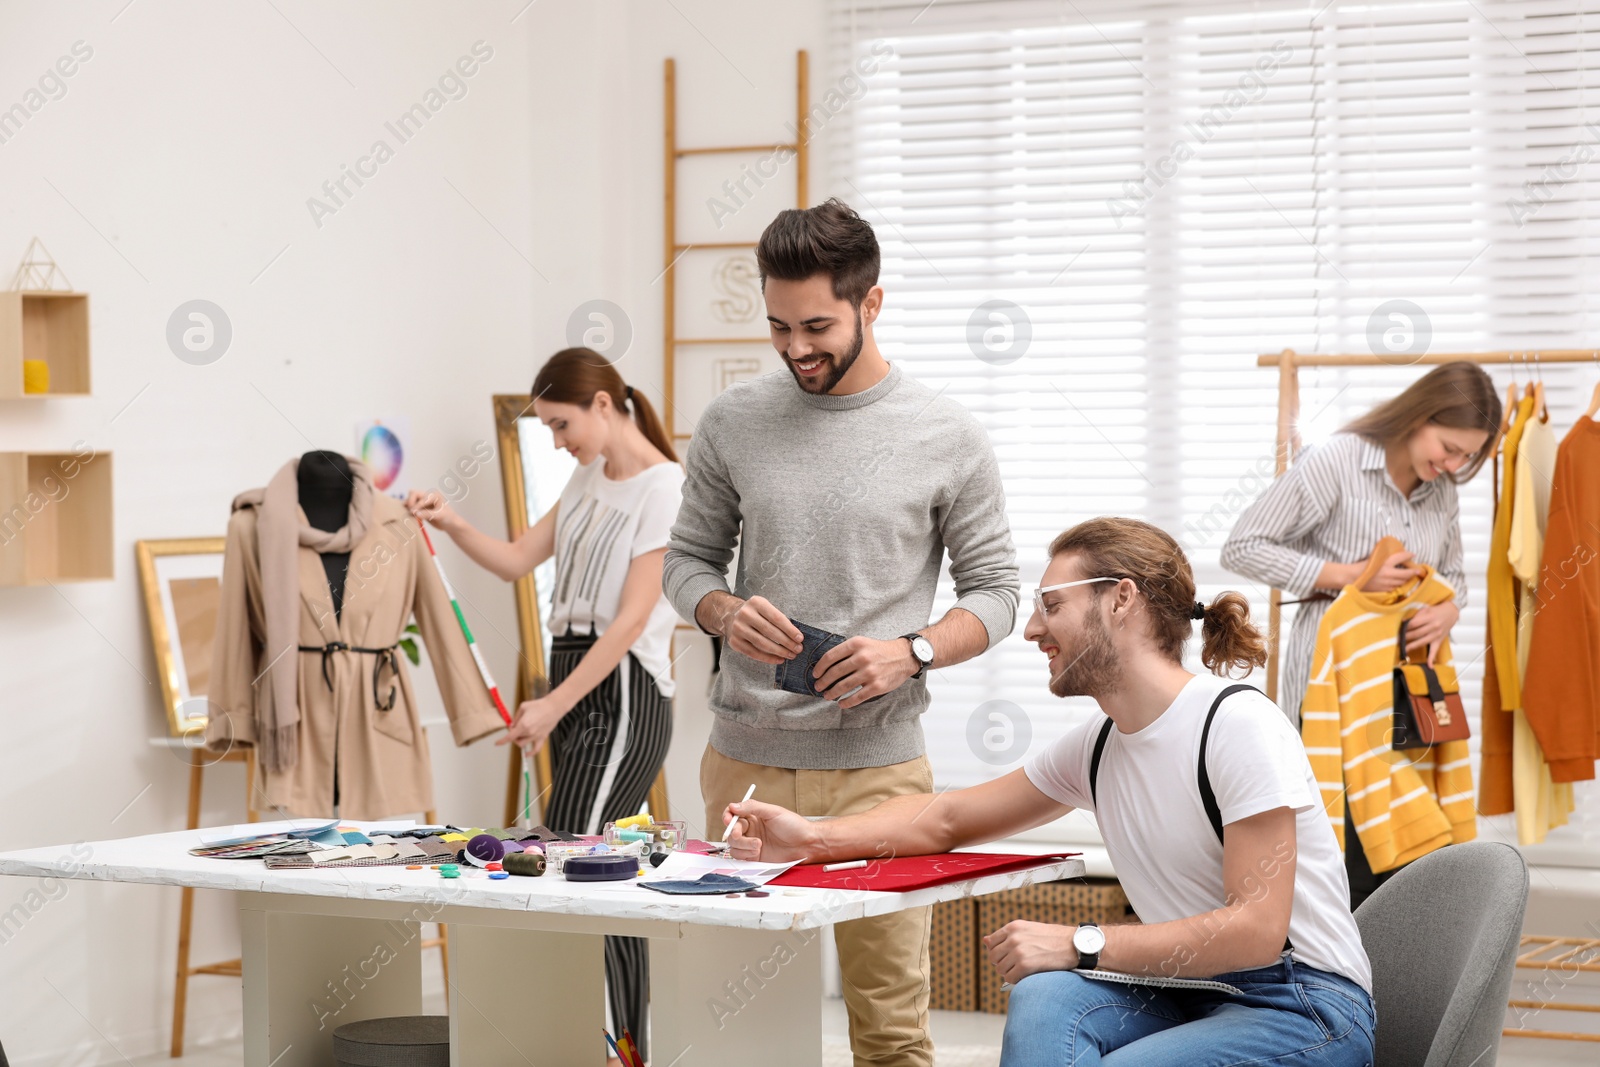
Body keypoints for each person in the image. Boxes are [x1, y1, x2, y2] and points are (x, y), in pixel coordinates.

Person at [722, 518, 1375, 1067]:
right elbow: (946, 817)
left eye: (1050, 604)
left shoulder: (1235, 726)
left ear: (1122, 598)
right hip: (1187, 987)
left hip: (1303, 1004)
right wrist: (810, 836)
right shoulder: (1098, 745)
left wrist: (1081, 940)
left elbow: (1256, 930)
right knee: (1043, 997)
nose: (1032, 630)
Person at [663, 199, 1020, 1067]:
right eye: (778, 325)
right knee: (733, 1029)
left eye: (817, 324)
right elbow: (686, 564)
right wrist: (720, 609)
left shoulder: (947, 433)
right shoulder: (732, 423)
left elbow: (1000, 591)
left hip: (880, 773)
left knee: (891, 1032)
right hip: (743, 769)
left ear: (872, 303)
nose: (795, 348)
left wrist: (916, 650)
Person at [406, 348, 682, 1064]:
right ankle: (589, 1038)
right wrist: (450, 522)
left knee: (586, 863)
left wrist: (552, 705)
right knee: (575, 857)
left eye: (563, 425)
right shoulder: (588, 477)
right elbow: (517, 559)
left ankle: (624, 1047)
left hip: (623, 688)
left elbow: (629, 622)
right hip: (572, 672)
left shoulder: (666, 488)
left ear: (602, 403)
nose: (559, 442)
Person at [1221, 361, 1500, 905]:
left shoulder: (1440, 490)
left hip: (1412, 695)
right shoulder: (1334, 463)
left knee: (1414, 851)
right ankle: (1341, 982)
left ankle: (1407, 978)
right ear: (1419, 417)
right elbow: (1242, 545)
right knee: (1344, 858)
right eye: (1449, 447)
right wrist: (1350, 576)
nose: (1454, 464)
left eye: (1467, 456)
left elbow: (1457, 583)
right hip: (1337, 694)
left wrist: (1448, 611)